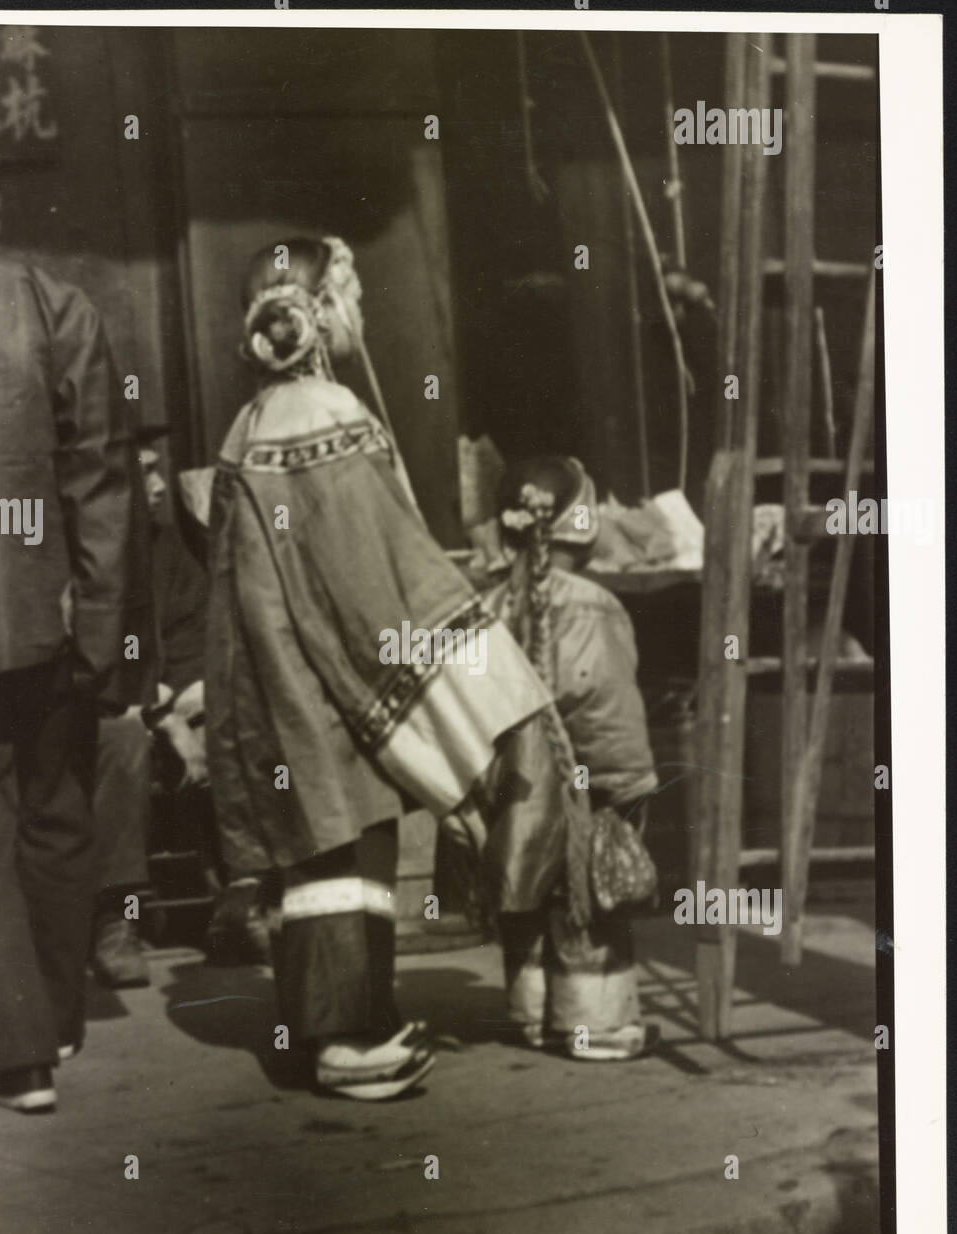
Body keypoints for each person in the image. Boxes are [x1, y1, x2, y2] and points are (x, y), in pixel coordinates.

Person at [206, 235, 549, 1100]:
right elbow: (371, 565)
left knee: (311, 843)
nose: (360, 310)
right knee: (340, 840)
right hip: (318, 673)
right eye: (348, 294)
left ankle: (337, 1022)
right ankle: (344, 1037)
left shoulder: (257, 419)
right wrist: (459, 637)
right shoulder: (324, 414)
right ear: (314, 315)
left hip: (274, 671)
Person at [0, 153, 155, 1113]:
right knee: (54, 807)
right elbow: (101, 476)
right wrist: (102, 616)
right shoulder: (55, 306)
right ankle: (60, 1020)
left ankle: (19, 1053)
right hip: (46, 615)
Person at [481, 455, 661, 1061]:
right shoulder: (593, 605)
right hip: (582, 785)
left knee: (525, 892)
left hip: (512, 784)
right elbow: (607, 707)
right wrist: (628, 785)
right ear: (581, 527)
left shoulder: (489, 606)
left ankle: (531, 1014)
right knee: (585, 898)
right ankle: (596, 1024)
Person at [90, 427, 210, 988]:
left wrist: (186, 702)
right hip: (105, 704)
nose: (161, 485)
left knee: (237, 717)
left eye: (160, 469)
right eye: (147, 472)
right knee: (122, 738)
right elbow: (95, 655)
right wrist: (158, 712)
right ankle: (117, 919)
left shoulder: (166, 547)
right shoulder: (91, 551)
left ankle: (243, 895)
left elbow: (194, 632)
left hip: (164, 697)